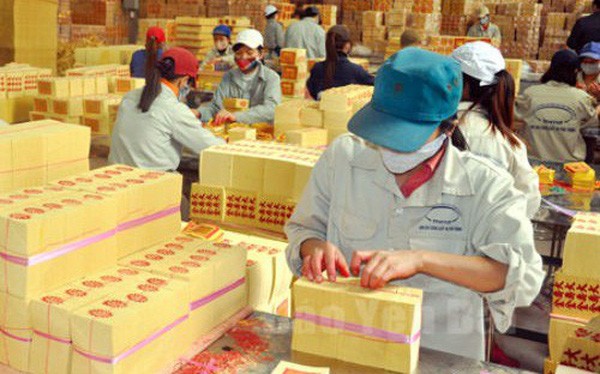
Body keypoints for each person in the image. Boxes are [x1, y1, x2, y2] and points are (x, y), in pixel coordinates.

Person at [285, 47, 544, 361]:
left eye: (405, 136)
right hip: (345, 336)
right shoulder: (343, 158)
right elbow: (304, 228)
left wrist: (422, 260)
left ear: (448, 126)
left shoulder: (485, 185)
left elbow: (521, 277)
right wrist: (313, 248)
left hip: (442, 351)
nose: (390, 146)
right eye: (384, 131)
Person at [452, 42, 540, 219]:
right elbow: (528, 201)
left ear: (465, 86)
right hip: (486, 239)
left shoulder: (433, 129)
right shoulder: (508, 142)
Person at [110, 47, 224, 171]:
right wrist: (226, 140)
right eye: (189, 84)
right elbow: (211, 147)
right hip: (151, 182)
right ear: (184, 81)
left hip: (116, 175)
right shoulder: (175, 110)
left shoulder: (129, 96)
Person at [516, 49, 599, 163]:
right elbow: (594, 121)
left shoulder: (530, 94)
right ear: (575, 72)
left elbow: (511, 117)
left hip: (532, 161)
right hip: (570, 165)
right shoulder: (581, 98)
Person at [198, 29, 282, 125]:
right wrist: (199, 113)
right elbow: (216, 107)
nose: (243, 57)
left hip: (261, 134)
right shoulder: (228, 77)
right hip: (232, 133)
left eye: (249, 53)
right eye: (239, 53)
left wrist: (237, 116)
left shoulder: (271, 78)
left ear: (260, 54)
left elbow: (271, 109)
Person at [306, 25, 374, 100]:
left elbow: (311, 91)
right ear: (347, 45)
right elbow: (376, 85)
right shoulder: (356, 71)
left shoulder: (317, 68)